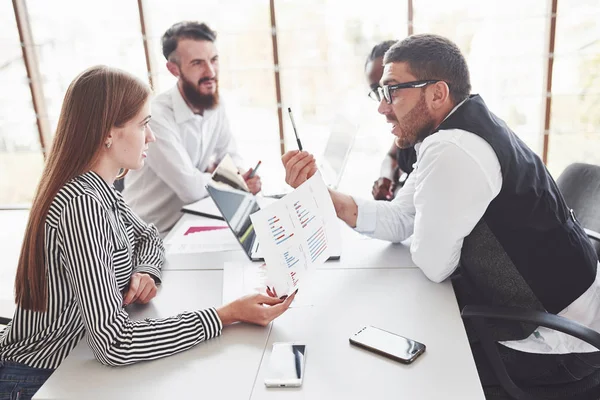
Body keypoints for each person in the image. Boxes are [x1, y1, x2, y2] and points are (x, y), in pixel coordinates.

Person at [282, 34, 600, 388]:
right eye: (380, 93)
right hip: (556, 315)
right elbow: (402, 218)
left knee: (401, 375)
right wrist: (321, 194)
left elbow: (434, 265)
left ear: (437, 93)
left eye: (393, 91)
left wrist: (429, 224)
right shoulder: (453, 130)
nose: (382, 107)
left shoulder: (454, 147)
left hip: (559, 345)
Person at [0, 66, 294, 399]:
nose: (151, 137)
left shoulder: (101, 189)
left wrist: (145, 270)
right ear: (107, 132)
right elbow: (114, 344)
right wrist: (226, 314)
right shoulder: (81, 204)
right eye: (143, 124)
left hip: (72, 365)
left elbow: (148, 236)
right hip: (38, 381)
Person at [123, 21, 261, 235]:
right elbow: (190, 189)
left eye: (214, 60)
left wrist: (243, 177)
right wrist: (229, 180)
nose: (210, 72)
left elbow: (232, 158)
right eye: (197, 63)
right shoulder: (157, 116)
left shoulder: (215, 103)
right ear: (173, 69)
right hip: (151, 235)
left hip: (191, 224)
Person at [365, 40, 417, 201]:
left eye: (391, 87)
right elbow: (392, 156)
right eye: (378, 90)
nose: (383, 104)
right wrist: (385, 178)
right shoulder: (406, 127)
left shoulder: (433, 136)